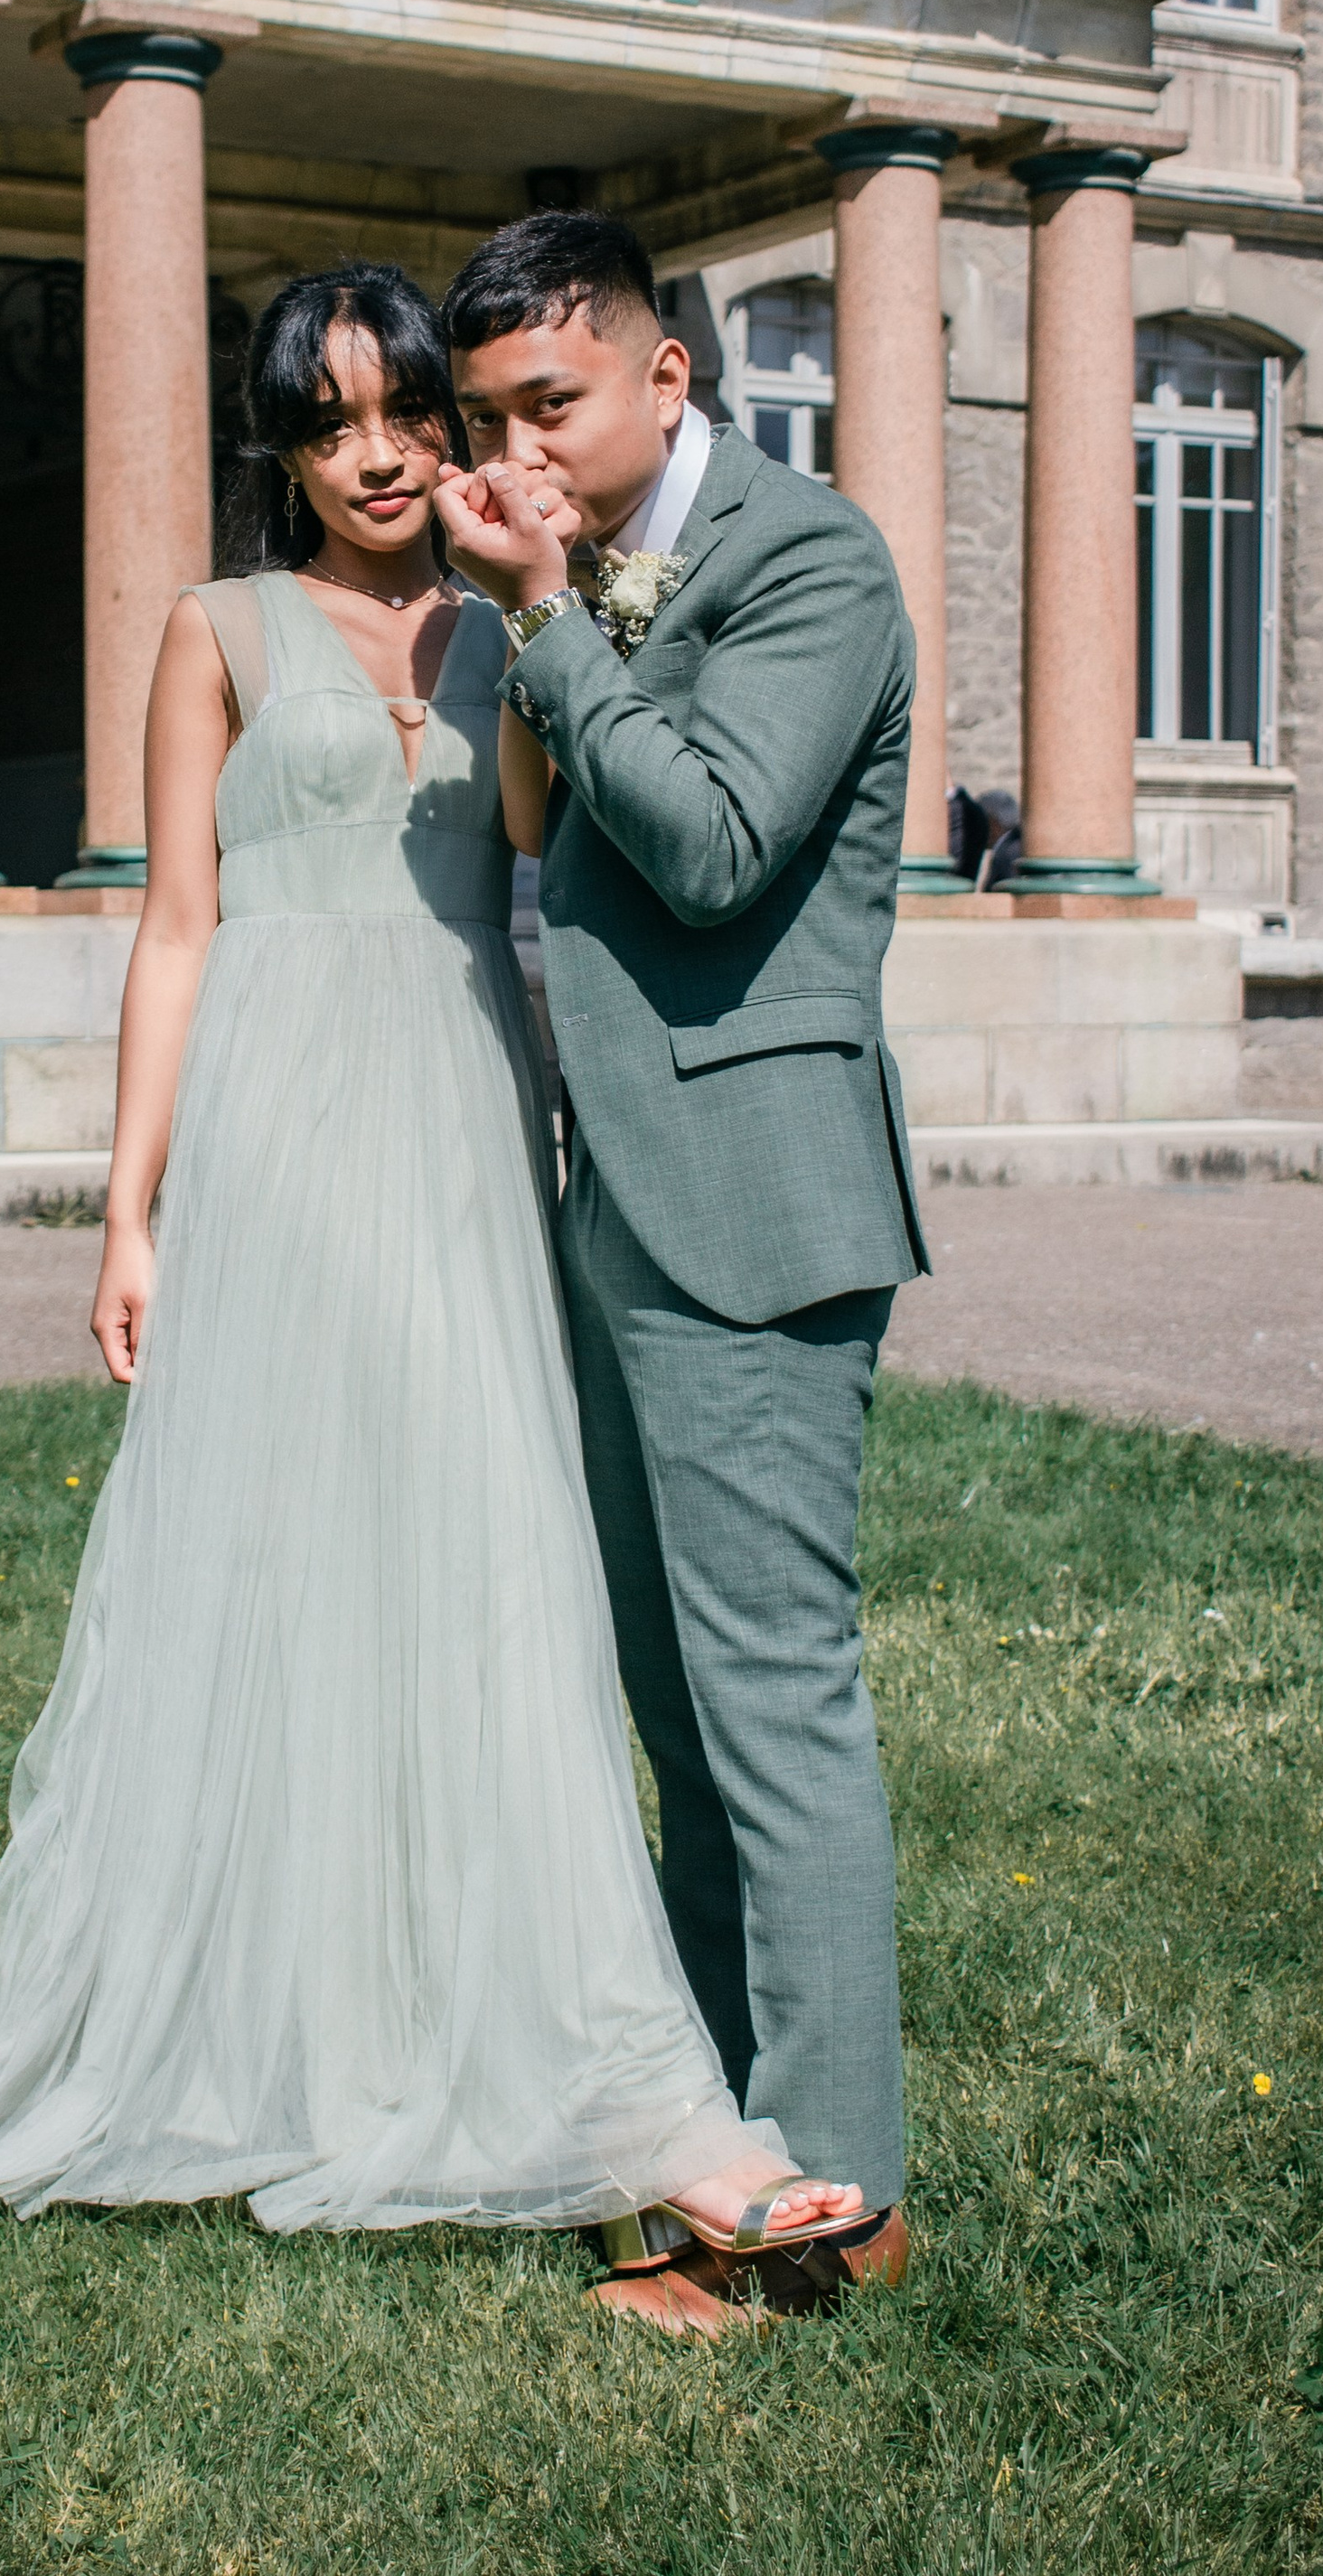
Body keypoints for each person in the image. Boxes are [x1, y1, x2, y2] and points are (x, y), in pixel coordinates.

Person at [0, 263, 868, 2340]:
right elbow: (173, 926)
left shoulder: (515, 627)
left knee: (489, 1561)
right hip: (278, 1125)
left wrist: (553, 600)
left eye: (407, 408)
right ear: (285, 449)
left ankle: (527, 2019)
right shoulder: (214, 630)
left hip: (467, 1114)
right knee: (283, 1550)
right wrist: (125, 1206)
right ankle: (290, 2008)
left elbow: (578, 862)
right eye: (328, 423)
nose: (378, 452)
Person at [432, 210, 926, 2313]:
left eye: (547, 402)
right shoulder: (578, 571)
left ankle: (836, 2213)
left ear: (662, 374)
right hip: (615, 1189)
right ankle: (732, 2158)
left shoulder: (808, 560)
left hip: (753, 1196)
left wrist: (545, 613)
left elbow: (714, 842)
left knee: (769, 1704)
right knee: (677, 1705)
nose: (515, 451)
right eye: (485, 420)